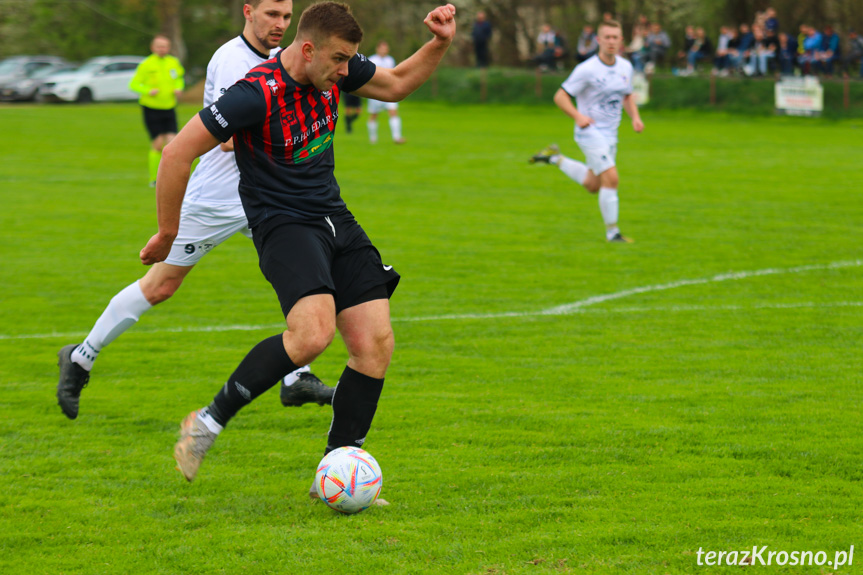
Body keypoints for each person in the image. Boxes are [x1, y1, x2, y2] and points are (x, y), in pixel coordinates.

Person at [138, 2, 457, 489]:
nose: (347, 71)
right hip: (283, 224)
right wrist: (167, 231)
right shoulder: (254, 94)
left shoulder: (332, 69)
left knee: (374, 344)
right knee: (311, 336)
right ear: (307, 50)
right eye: (339, 60)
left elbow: (394, 86)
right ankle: (206, 422)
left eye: (350, 60)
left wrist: (439, 42)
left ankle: (337, 471)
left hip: (334, 217)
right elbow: (179, 151)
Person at [56, 0, 333, 421]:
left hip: (268, 194)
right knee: (161, 286)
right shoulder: (231, 61)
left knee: (303, 266)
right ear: (248, 11)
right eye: (271, 14)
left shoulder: (285, 57)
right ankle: (80, 356)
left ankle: (297, 376)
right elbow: (223, 138)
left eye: (285, 16)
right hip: (217, 198)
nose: (280, 24)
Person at [529, 19, 644, 244]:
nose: (611, 41)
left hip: (611, 134)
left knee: (594, 185)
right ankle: (613, 234)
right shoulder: (587, 69)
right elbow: (560, 96)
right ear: (598, 40)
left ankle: (555, 158)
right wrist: (578, 116)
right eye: (607, 37)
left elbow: (627, 95)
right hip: (590, 132)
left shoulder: (625, 67)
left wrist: (636, 118)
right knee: (612, 178)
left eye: (615, 37)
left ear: (621, 41)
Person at [129, 35, 185, 187]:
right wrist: (147, 90)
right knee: (158, 144)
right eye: (159, 46)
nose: (162, 49)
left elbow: (179, 78)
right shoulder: (146, 64)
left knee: (173, 144)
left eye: (165, 46)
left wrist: (178, 88)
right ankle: (154, 178)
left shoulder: (173, 62)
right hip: (151, 108)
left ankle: (171, 177)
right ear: (153, 47)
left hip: (169, 107)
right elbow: (134, 84)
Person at [366, 40, 405, 144]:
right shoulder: (371, 60)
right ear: (378, 49)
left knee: (393, 112)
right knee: (374, 115)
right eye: (382, 48)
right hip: (375, 92)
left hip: (388, 91)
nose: (384, 50)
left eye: (386, 48)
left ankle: (397, 138)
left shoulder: (390, 60)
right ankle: (373, 139)